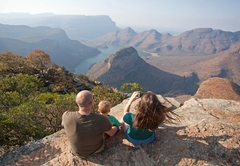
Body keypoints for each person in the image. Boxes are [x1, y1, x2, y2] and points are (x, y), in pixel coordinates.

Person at [61, 90, 118, 158]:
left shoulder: (66, 116)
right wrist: (116, 126)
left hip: (76, 152)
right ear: (91, 103)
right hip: (96, 149)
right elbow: (111, 133)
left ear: (77, 103)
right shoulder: (101, 118)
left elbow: (64, 125)